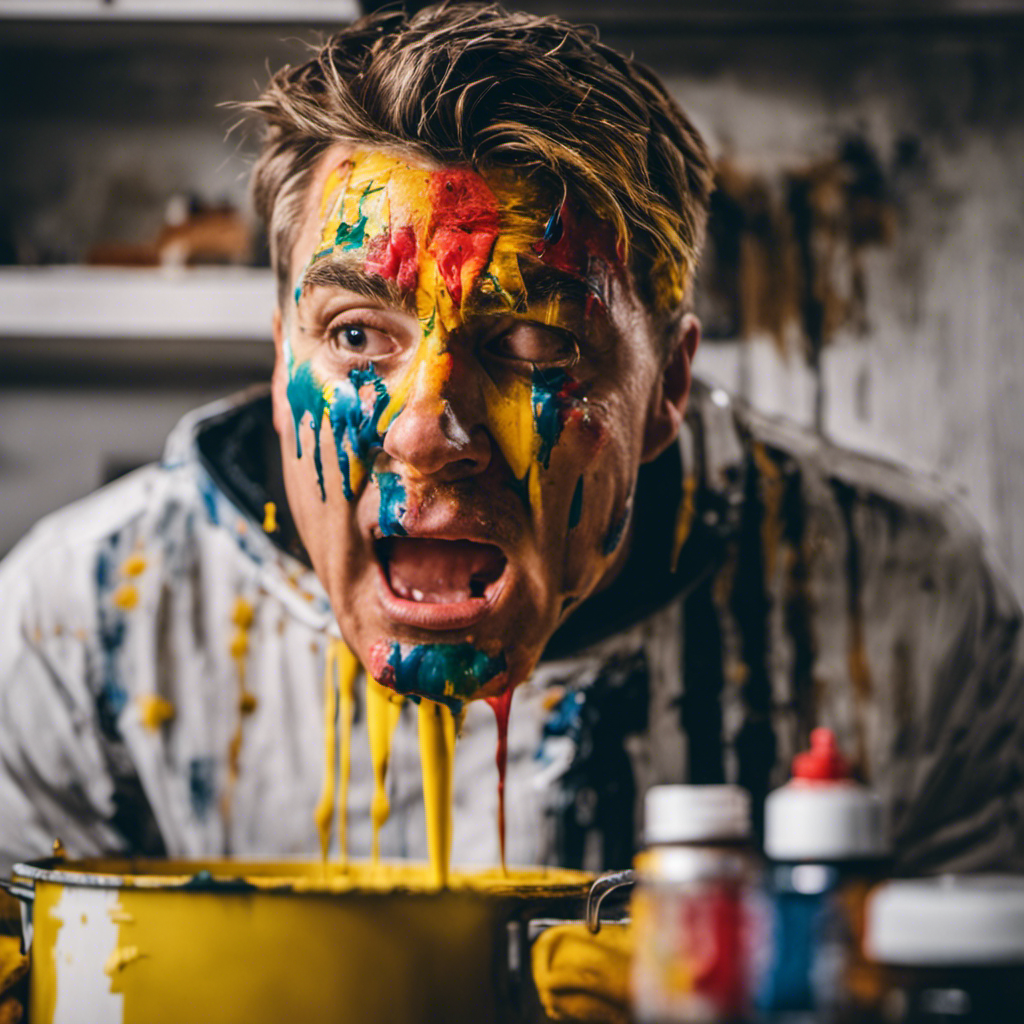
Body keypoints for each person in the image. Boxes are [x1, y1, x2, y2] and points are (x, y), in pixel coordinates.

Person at [1, 2, 1021, 886]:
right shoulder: (78, 631)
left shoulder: (901, 605)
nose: (424, 431)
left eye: (532, 343)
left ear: (664, 385)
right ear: (280, 358)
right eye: (358, 336)